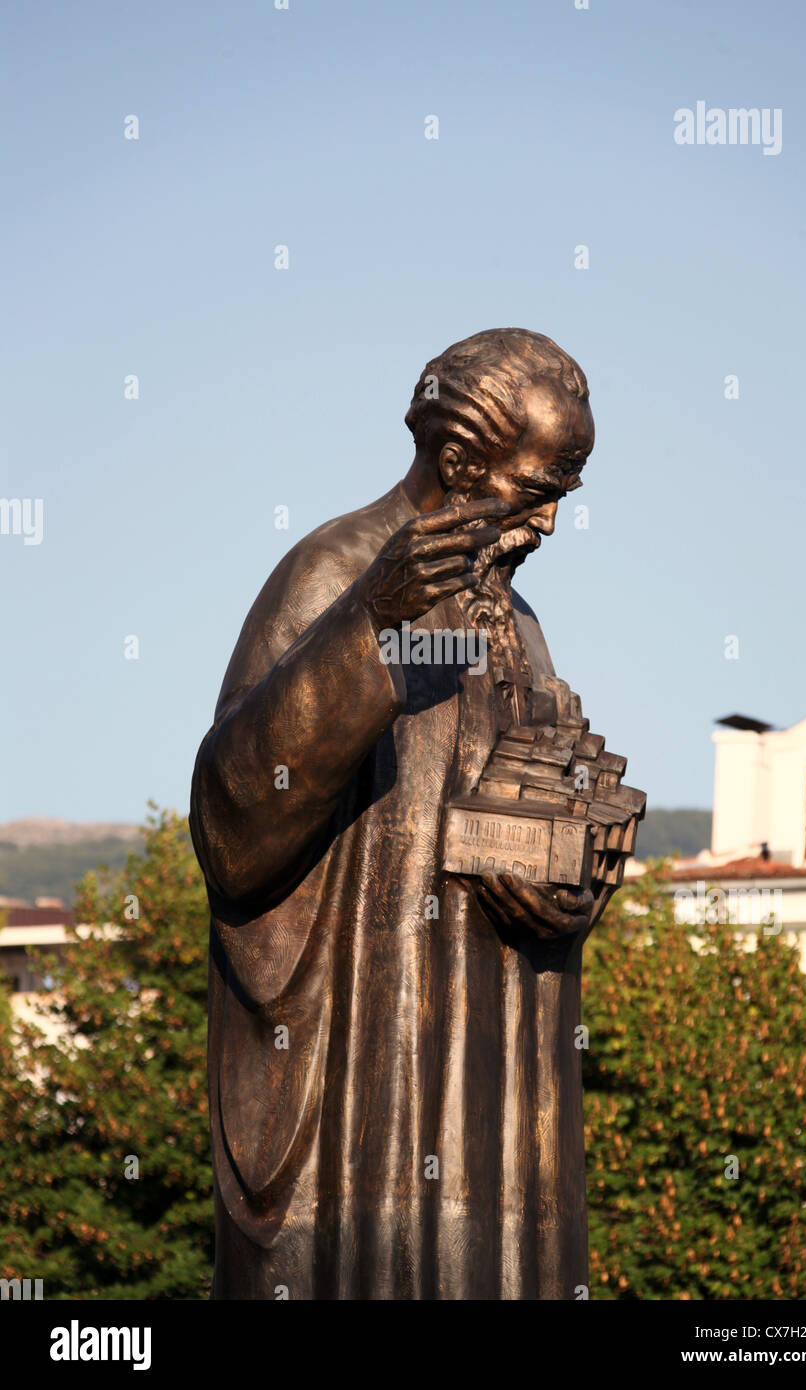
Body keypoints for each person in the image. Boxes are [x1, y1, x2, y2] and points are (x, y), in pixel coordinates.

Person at [191, 327, 607, 1299]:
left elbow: (527, 800)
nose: (546, 523)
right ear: (459, 461)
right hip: (363, 1069)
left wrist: (569, 880)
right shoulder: (329, 572)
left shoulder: (519, 624)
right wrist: (370, 625)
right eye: (535, 488)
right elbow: (231, 823)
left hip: (490, 1072)